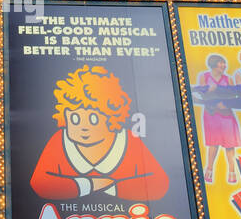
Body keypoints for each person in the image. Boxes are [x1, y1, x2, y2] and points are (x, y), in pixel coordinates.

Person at [30, 66, 169, 201]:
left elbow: (159, 184)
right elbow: (40, 183)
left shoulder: (129, 140)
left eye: (93, 119)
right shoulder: (59, 140)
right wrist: (90, 185)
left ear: (112, 117)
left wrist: (112, 187)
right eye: (75, 118)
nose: (84, 127)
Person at [197, 54, 241, 184]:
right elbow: (201, 93)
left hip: (226, 113)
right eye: (221, 63)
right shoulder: (204, 76)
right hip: (211, 113)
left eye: (224, 63)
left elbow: (234, 95)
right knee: (213, 143)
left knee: (230, 143)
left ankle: (232, 171)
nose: (223, 66)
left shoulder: (228, 79)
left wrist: (226, 103)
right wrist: (211, 94)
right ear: (214, 64)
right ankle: (209, 169)